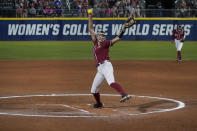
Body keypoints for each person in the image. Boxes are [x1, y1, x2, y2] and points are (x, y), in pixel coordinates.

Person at [88, 9, 136, 108]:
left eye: (103, 36)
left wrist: (124, 29)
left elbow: (118, 38)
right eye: (101, 35)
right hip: (100, 69)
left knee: (111, 82)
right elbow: (90, 28)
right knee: (93, 90)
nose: (102, 37)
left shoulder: (106, 43)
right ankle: (99, 103)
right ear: (98, 36)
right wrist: (90, 15)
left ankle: (124, 94)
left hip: (106, 66)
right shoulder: (95, 43)